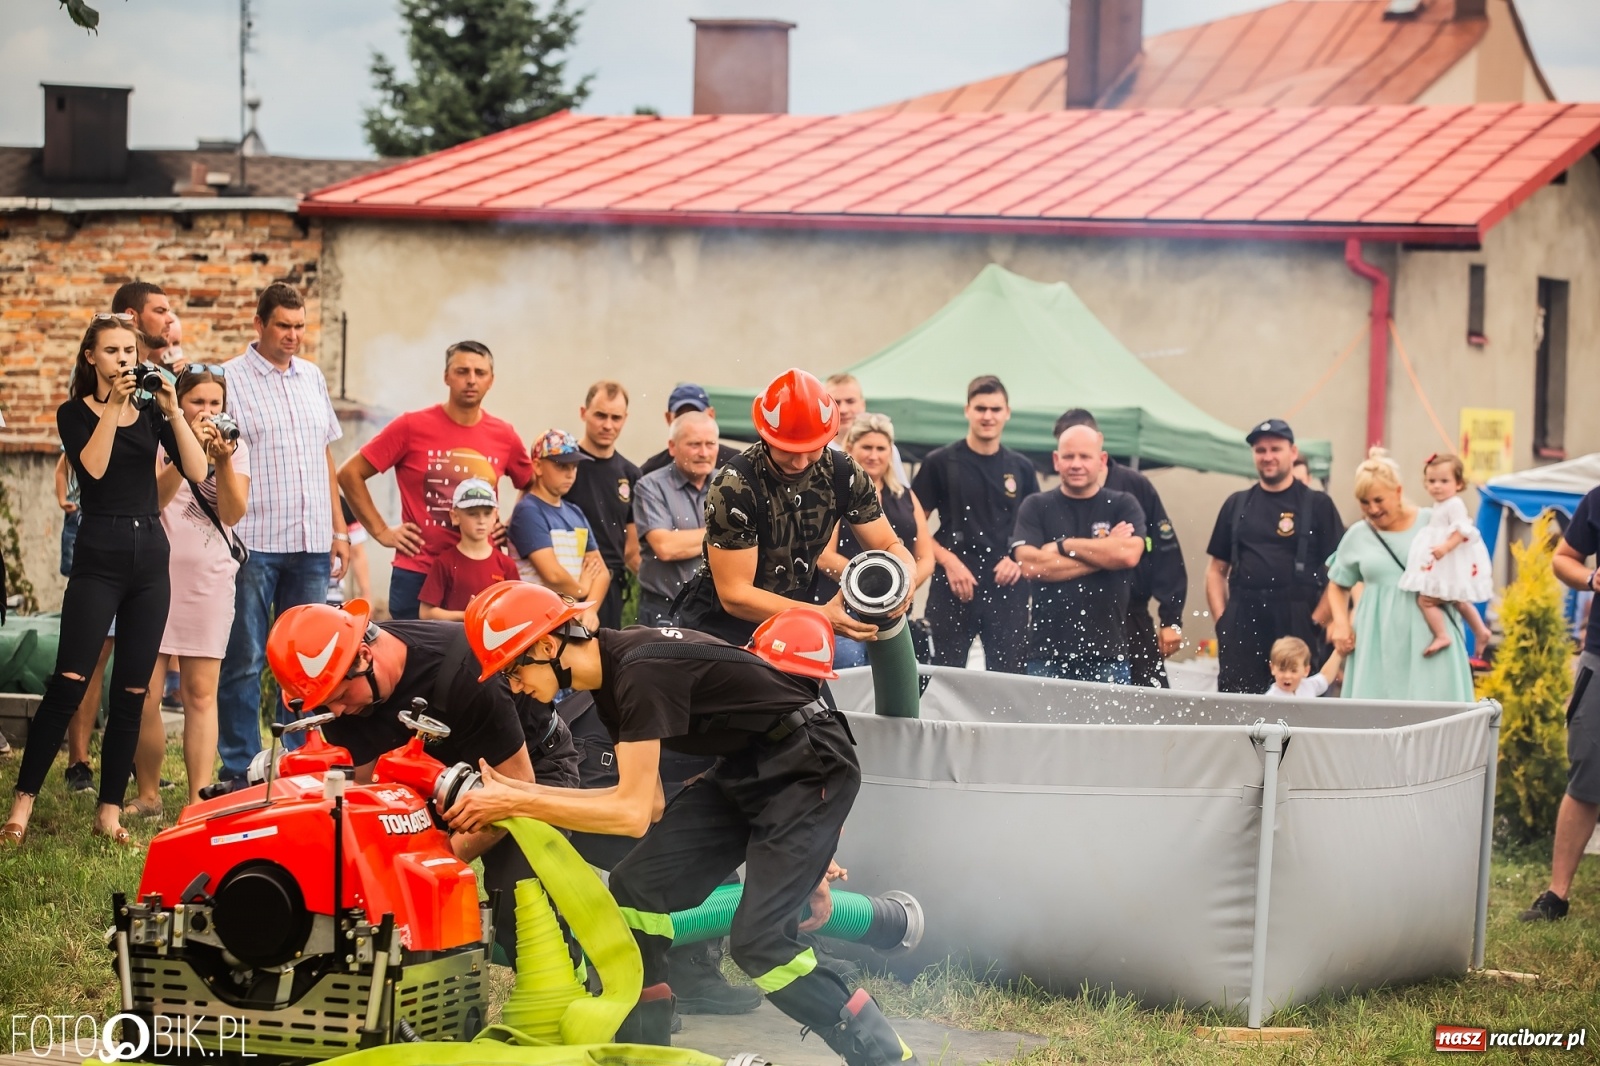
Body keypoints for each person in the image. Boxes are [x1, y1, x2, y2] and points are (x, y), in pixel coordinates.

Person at [446, 586, 925, 1065]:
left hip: (808, 767)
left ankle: (890, 1058)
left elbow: (631, 815)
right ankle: (644, 1052)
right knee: (637, 887)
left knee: (760, 943)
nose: (512, 685)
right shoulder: (613, 676)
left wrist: (520, 800)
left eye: (512, 668)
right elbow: (651, 804)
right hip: (748, 765)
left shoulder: (638, 670)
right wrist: (519, 795)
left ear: (548, 647)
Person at [262, 598, 578, 965]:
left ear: (364, 655)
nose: (337, 712)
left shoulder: (462, 672)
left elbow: (514, 787)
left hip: (531, 773)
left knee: (520, 902)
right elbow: (364, 793)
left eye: (342, 697)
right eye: (324, 703)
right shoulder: (340, 692)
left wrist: (431, 866)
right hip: (435, 780)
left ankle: (581, 986)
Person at [1, 313, 208, 847]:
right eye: (112, 350)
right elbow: (90, 469)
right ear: (90, 357)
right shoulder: (74, 412)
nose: (123, 360)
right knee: (70, 680)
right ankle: (23, 804)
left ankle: (109, 811)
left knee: (134, 691)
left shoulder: (150, 411)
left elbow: (198, 471)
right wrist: (114, 404)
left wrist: (173, 412)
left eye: (128, 351)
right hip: (99, 552)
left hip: (149, 558)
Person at [210, 283, 348, 794]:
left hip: (312, 541)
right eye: (283, 326)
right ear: (260, 324)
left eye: (299, 326)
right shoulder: (230, 378)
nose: (292, 336)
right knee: (244, 657)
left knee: (307, 664)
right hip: (254, 539)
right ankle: (241, 766)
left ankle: (294, 760)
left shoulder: (312, 376)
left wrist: (339, 529)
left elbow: (325, 456)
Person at [679, 368, 915, 645]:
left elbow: (887, 546)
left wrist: (906, 573)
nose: (801, 463)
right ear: (766, 437)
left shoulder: (844, 473)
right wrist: (821, 615)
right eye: (789, 450)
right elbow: (735, 596)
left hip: (795, 620)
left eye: (812, 449)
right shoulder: (735, 486)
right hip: (724, 628)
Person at [124, 365, 251, 812]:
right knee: (145, 693)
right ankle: (150, 793)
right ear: (179, 400)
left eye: (215, 403)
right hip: (152, 577)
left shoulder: (235, 447)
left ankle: (198, 798)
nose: (208, 411)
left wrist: (222, 459)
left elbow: (233, 514)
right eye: (198, 401)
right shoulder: (156, 438)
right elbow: (154, 500)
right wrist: (187, 449)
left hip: (208, 581)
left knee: (200, 693)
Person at [339, 340, 532, 620]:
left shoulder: (504, 435)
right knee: (413, 661)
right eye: (462, 371)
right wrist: (381, 532)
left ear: (491, 381)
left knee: (480, 663)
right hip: (418, 571)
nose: (471, 380)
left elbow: (530, 483)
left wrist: (512, 524)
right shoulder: (411, 426)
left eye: (480, 373)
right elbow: (349, 474)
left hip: (479, 573)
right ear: (446, 376)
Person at [1205, 419, 1345, 694]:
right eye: (1260, 450)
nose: (1267, 457)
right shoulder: (1236, 504)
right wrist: (1223, 621)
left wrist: (1316, 622)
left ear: (1292, 452)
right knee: (1238, 711)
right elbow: (1215, 571)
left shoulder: (1317, 505)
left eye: (1275, 449)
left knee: (1296, 716)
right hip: (1243, 620)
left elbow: (1341, 573)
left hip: (1296, 621)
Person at [1323, 449, 1473, 703]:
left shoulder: (1432, 522)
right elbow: (1338, 585)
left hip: (1430, 637)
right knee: (1375, 719)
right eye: (1364, 501)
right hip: (1376, 642)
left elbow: (1465, 567)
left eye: (1379, 500)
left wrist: (1450, 594)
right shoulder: (1358, 535)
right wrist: (1341, 623)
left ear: (1398, 492)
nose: (1372, 509)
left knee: (1433, 721)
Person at [910, 376, 1039, 673]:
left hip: (1007, 587)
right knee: (942, 678)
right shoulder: (939, 462)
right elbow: (912, 526)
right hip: (953, 584)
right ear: (967, 410)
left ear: (1007, 412)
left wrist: (1019, 561)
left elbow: (1038, 531)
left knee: (1009, 684)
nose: (988, 416)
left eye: (995, 409)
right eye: (981, 408)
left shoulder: (1022, 468)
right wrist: (948, 560)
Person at [1054, 409, 1187, 687]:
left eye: (1084, 449)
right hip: (1071, 617)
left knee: (1149, 705)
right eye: (1068, 450)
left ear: (1099, 442)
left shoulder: (1133, 487)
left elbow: (1167, 553)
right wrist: (1107, 550)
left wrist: (1171, 619)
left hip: (1130, 614)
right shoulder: (1054, 500)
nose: (1076, 459)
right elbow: (1043, 557)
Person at [1519, 484, 1600, 922]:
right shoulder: (1598, 498)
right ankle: (1556, 895)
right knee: (1587, 773)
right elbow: (1563, 558)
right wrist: (1590, 578)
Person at [1011, 425, 1145, 683]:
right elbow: (1030, 565)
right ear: (1056, 460)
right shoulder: (1036, 506)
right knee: (1044, 725)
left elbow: (1128, 555)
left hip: (1108, 654)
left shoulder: (1123, 504)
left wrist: (1063, 545)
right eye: (1069, 456)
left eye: (1085, 456)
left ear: (1102, 460)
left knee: (1106, 726)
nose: (1076, 464)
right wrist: (1105, 556)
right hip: (1047, 654)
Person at [817, 413, 935, 669]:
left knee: (899, 684)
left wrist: (901, 586)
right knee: (852, 667)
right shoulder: (836, 493)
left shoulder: (906, 496)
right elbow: (823, 557)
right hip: (844, 612)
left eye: (881, 448)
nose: (874, 455)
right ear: (850, 448)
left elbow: (926, 558)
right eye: (866, 447)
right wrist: (867, 583)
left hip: (895, 615)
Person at [1397, 453, 1495, 656]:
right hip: (1447, 563)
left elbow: (1462, 530)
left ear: (1458, 483)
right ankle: (1480, 630)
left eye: (1444, 481)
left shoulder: (1454, 504)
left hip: (1450, 558)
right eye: (1432, 481)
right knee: (1459, 600)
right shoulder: (1442, 504)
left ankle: (1442, 634)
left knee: (1426, 600)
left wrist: (1446, 547)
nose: (1437, 486)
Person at [565, 382, 641, 630]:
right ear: (583, 412)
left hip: (610, 587)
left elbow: (632, 544)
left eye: (615, 417)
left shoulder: (630, 474)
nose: (608, 425)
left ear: (625, 419)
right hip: (564, 582)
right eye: (600, 415)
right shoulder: (563, 464)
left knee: (602, 663)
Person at [633, 412, 719, 627]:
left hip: (716, 611)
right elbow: (666, 547)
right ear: (672, 447)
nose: (704, 452)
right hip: (665, 611)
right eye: (694, 444)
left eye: (710, 444)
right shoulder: (650, 487)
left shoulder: (730, 484)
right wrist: (726, 533)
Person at [509, 430, 610, 607]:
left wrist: (590, 610)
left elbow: (601, 571)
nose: (570, 473)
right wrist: (582, 590)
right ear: (538, 467)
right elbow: (553, 575)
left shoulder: (575, 512)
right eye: (561, 466)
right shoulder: (528, 511)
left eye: (574, 466)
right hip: (534, 615)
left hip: (567, 616)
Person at [418, 478, 520, 621]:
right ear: (455, 516)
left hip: (496, 640)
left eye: (487, 513)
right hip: (456, 640)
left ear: (495, 516)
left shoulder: (506, 564)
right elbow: (426, 613)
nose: (481, 520)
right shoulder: (445, 562)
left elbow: (517, 609)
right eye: (473, 513)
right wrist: (467, 614)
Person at [823, 374, 909, 488]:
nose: (843, 409)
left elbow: (903, 495)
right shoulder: (817, 452)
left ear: (862, 404)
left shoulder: (888, 449)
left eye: (850, 401)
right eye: (836, 402)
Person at [639, 384, 740, 477]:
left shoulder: (736, 463)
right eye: (681, 416)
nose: (703, 453)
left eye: (696, 414)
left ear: (711, 414)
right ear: (668, 418)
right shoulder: (652, 471)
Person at [1264, 637, 1345, 699]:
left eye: (1294, 671)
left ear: (1306, 671)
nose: (1287, 675)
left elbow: (1325, 676)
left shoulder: (1308, 686)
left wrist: (1339, 652)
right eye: (1282, 670)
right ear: (1272, 668)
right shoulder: (1270, 698)